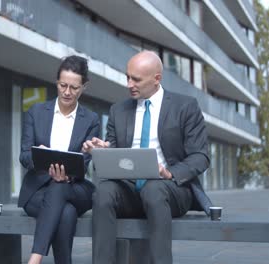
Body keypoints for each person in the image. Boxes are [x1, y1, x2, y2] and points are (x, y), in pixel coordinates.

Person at [83, 51, 213, 264]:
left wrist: (169, 172)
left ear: (157, 79)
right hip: (130, 189)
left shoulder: (185, 106)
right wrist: (102, 150)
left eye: (136, 79)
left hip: (171, 189)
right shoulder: (118, 110)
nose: (129, 84)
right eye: (127, 77)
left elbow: (200, 156)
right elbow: (114, 153)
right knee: (103, 191)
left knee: (154, 189)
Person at [18, 55, 99, 264]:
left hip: (75, 188)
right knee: (66, 212)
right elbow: (24, 156)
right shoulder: (36, 112)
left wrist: (66, 176)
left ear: (84, 87)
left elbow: (84, 162)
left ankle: (35, 258)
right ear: (57, 82)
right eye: (63, 85)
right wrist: (40, 156)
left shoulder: (90, 119)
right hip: (38, 190)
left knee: (61, 186)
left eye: (74, 87)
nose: (67, 92)